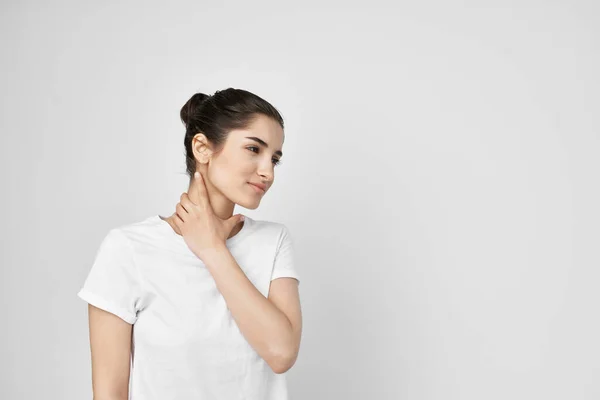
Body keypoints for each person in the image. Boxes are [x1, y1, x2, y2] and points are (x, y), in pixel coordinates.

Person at [77, 88, 302, 399]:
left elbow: (281, 353)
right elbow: (109, 393)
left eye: (274, 159)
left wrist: (212, 249)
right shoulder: (128, 248)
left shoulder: (273, 241)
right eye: (254, 149)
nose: (267, 172)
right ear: (202, 148)